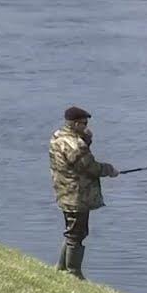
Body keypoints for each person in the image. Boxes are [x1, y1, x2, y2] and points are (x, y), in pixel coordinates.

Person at [48, 106, 119, 280]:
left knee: (72, 230)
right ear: (75, 124)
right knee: (77, 233)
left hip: (65, 191)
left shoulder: (58, 136)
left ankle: (61, 267)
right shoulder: (75, 145)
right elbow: (90, 168)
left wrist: (86, 141)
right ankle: (73, 272)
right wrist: (109, 169)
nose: (87, 127)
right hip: (76, 194)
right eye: (84, 123)